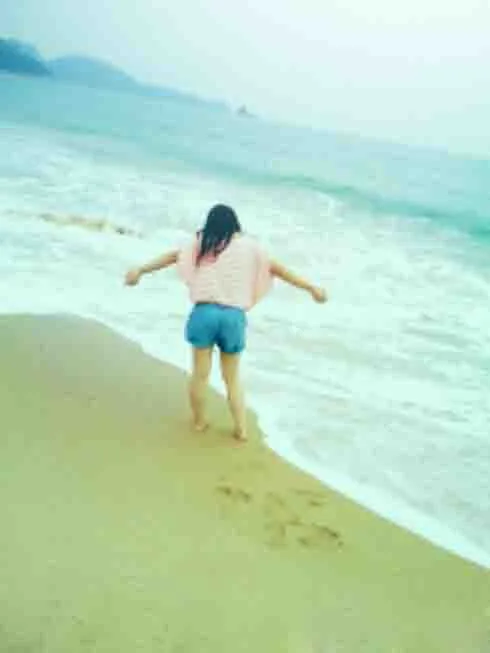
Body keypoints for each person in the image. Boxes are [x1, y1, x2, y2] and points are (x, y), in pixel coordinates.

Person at [125, 204, 327, 442]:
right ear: (235, 224)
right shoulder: (251, 247)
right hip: (233, 317)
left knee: (200, 375)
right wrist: (311, 288)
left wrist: (141, 270)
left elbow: (173, 256)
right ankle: (241, 430)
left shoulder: (202, 243)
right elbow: (277, 269)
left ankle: (199, 422)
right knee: (232, 379)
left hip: (204, 313)